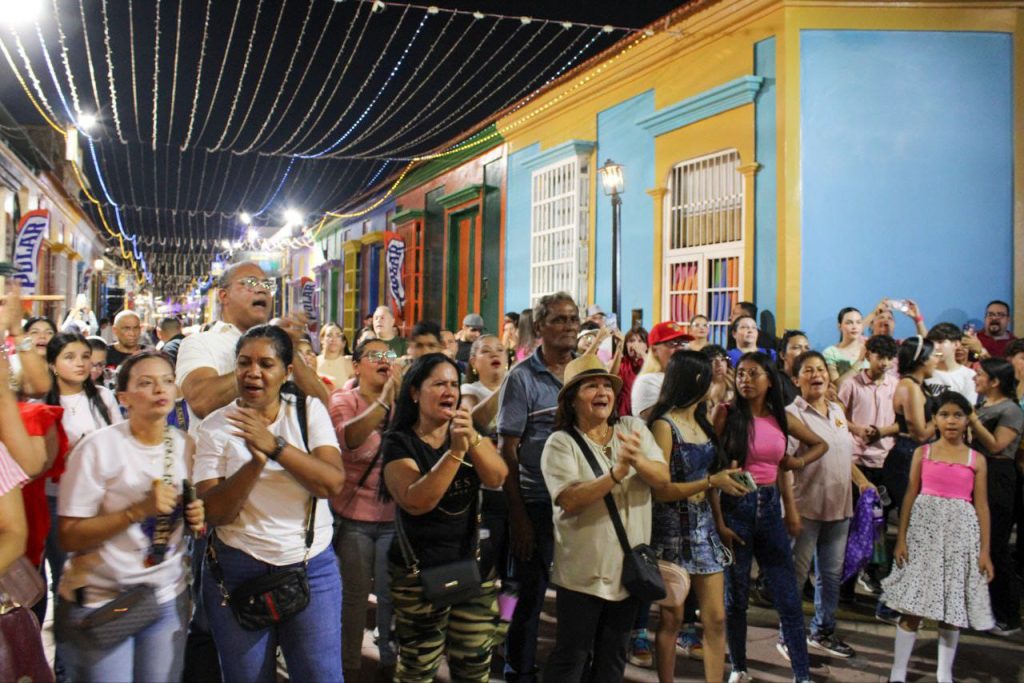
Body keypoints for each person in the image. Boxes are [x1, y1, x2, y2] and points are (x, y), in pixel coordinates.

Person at [195, 325, 346, 682]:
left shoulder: (308, 413)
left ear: (287, 372)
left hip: (311, 565)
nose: (254, 372)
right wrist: (255, 463)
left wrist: (275, 446)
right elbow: (214, 513)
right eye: (244, 363)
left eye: (266, 364)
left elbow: (331, 483)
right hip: (236, 569)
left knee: (320, 674)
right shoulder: (216, 426)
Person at [55, 350, 205, 681]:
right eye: (146, 383)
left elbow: (186, 519)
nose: (160, 390)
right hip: (105, 601)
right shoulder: (99, 448)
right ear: (123, 398)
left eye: (167, 381)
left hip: (165, 596)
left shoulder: (185, 445)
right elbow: (69, 535)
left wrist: (195, 516)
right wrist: (137, 510)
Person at [541, 355, 668, 681]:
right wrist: (616, 473)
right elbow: (570, 499)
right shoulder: (561, 443)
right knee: (571, 659)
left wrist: (636, 461)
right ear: (572, 400)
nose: (603, 392)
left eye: (606, 386)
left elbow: (662, 478)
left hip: (628, 573)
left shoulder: (632, 428)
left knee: (612, 661)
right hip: (582, 576)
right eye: (591, 386)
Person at [381, 353, 508, 681]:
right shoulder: (399, 442)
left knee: (475, 661)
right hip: (417, 573)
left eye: (454, 384)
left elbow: (496, 477)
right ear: (415, 392)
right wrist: (455, 452)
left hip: (472, 565)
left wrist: (473, 439)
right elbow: (417, 501)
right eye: (438, 384)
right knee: (418, 667)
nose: (449, 391)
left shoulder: (469, 432)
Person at [714, 352, 828, 683]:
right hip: (736, 507)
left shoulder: (781, 417)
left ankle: (802, 675)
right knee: (736, 598)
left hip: (770, 507)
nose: (746, 379)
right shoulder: (725, 414)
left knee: (788, 597)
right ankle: (739, 666)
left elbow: (819, 444)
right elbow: (713, 469)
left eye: (753, 374)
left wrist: (797, 464)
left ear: (769, 379)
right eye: (741, 374)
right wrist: (719, 522)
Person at [647, 351, 748, 683]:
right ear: (694, 380)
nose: (715, 378)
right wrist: (709, 482)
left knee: (716, 618)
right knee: (672, 619)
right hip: (671, 532)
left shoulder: (703, 419)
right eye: (708, 374)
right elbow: (661, 490)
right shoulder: (664, 424)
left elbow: (713, 478)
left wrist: (723, 494)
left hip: (704, 529)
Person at [882, 391, 994, 683]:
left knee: (951, 607)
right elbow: (910, 494)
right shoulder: (924, 452)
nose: (951, 421)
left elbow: (981, 506)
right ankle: (898, 672)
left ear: (967, 418)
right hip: (923, 533)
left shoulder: (976, 459)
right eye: (944, 415)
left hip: (960, 536)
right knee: (913, 606)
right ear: (934, 419)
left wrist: (985, 551)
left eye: (958, 415)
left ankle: (944, 672)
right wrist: (902, 538)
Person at [497, 292, 578, 682]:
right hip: (534, 501)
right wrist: (518, 517)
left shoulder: (585, 372)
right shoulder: (522, 378)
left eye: (573, 320)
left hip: (579, 504)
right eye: (560, 320)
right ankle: (518, 669)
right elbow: (507, 450)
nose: (569, 327)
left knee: (577, 598)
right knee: (526, 596)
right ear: (541, 327)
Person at [783, 351, 872, 659]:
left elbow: (842, 454)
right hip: (805, 508)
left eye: (821, 369)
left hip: (839, 507)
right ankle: (789, 635)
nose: (816, 374)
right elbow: (785, 464)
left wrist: (861, 481)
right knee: (796, 576)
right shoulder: (791, 415)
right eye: (808, 370)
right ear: (796, 380)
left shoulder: (836, 410)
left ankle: (822, 631)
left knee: (831, 575)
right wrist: (789, 510)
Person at [329, 339, 402, 681]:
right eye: (375, 355)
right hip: (354, 518)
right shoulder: (344, 400)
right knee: (354, 599)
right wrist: (384, 402)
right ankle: (349, 666)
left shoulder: (403, 402)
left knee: (391, 596)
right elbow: (350, 440)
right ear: (356, 366)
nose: (384, 360)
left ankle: (388, 660)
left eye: (389, 355)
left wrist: (400, 401)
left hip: (394, 518)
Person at [838, 334, 899, 593]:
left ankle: (872, 573)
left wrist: (882, 432)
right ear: (868, 355)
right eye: (879, 356)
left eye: (888, 358)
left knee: (878, 523)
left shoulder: (896, 386)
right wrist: (856, 429)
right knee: (852, 523)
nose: (883, 363)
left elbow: (902, 423)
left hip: (884, 461)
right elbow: (838, 415)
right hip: (855, 462)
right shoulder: (852, 384)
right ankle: (846, 580)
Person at [967, 358, 1023, 635]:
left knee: (996, 545)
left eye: (981, 374)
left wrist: (972, 419)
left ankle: (1009, 614)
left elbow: (996, 444)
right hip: (978, 473)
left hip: (999, 475)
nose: (976, 378)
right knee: (978, 544)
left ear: (995, 381)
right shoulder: (982, 405)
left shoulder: (1011, 410)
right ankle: (983, 608)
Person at [630, 321, 692, 419]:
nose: (679, 348)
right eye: (673, 343)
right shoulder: (647, 381)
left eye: (682, 343)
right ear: (655, 350)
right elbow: (654, 421)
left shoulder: (685, 376)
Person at [926, 323, 977, 405]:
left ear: (956, 344)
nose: (935, 347)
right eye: (932, 343)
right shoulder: (924, 372)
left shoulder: (969, 375)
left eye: (940, 342)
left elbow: (968, 410)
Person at [822, 307, 868, 384]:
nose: (854, 327)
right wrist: (859, 362)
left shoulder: (869, 349)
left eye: (858, 322)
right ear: (839, 326)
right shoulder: (830, 353)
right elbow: (835, 386)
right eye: (849, 322)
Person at [616, 326, 648, 417]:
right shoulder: (621, 362)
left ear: (647, 346)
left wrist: (641, 354)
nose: (635, 344)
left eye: (640, 341)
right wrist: (619, 348)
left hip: (643, 411)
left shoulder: (650, 362)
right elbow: (611, 375)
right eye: (631, 341)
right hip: (623, 412)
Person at [777, 330, 811, 405]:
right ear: (782, 355)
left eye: (807, 348)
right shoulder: (776, 380)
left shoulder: (813, 379)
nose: (804, 352)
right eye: (796, 348)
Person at [318, 322, 354, 387]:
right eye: (329, 335)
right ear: (321, 339)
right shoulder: (313, 361)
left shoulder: (349, 362)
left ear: (343, 341)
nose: (333, 339)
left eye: (338, 335)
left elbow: (377, 357)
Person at [703, 344, 734, 411]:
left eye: (722, 359)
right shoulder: (698, 388)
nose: (719, 364)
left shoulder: (736, 383)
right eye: (712, 360)